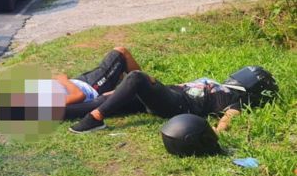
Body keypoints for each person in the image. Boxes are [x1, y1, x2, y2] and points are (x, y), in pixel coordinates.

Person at [68, 70, 268, 134]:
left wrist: (216, 130)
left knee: (137, 77)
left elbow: (228, 118)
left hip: (178, 105)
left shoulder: (237, 99)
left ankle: (95, 119)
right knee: (105, 100)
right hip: (168, 93)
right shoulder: (221, 84)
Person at [55, 46, 142, 108]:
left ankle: (124, 84)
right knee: (120, 52)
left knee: (117, 71)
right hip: (92, 88)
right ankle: (144, 85)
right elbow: (79, 95)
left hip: (80, 81)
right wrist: (64, 80)